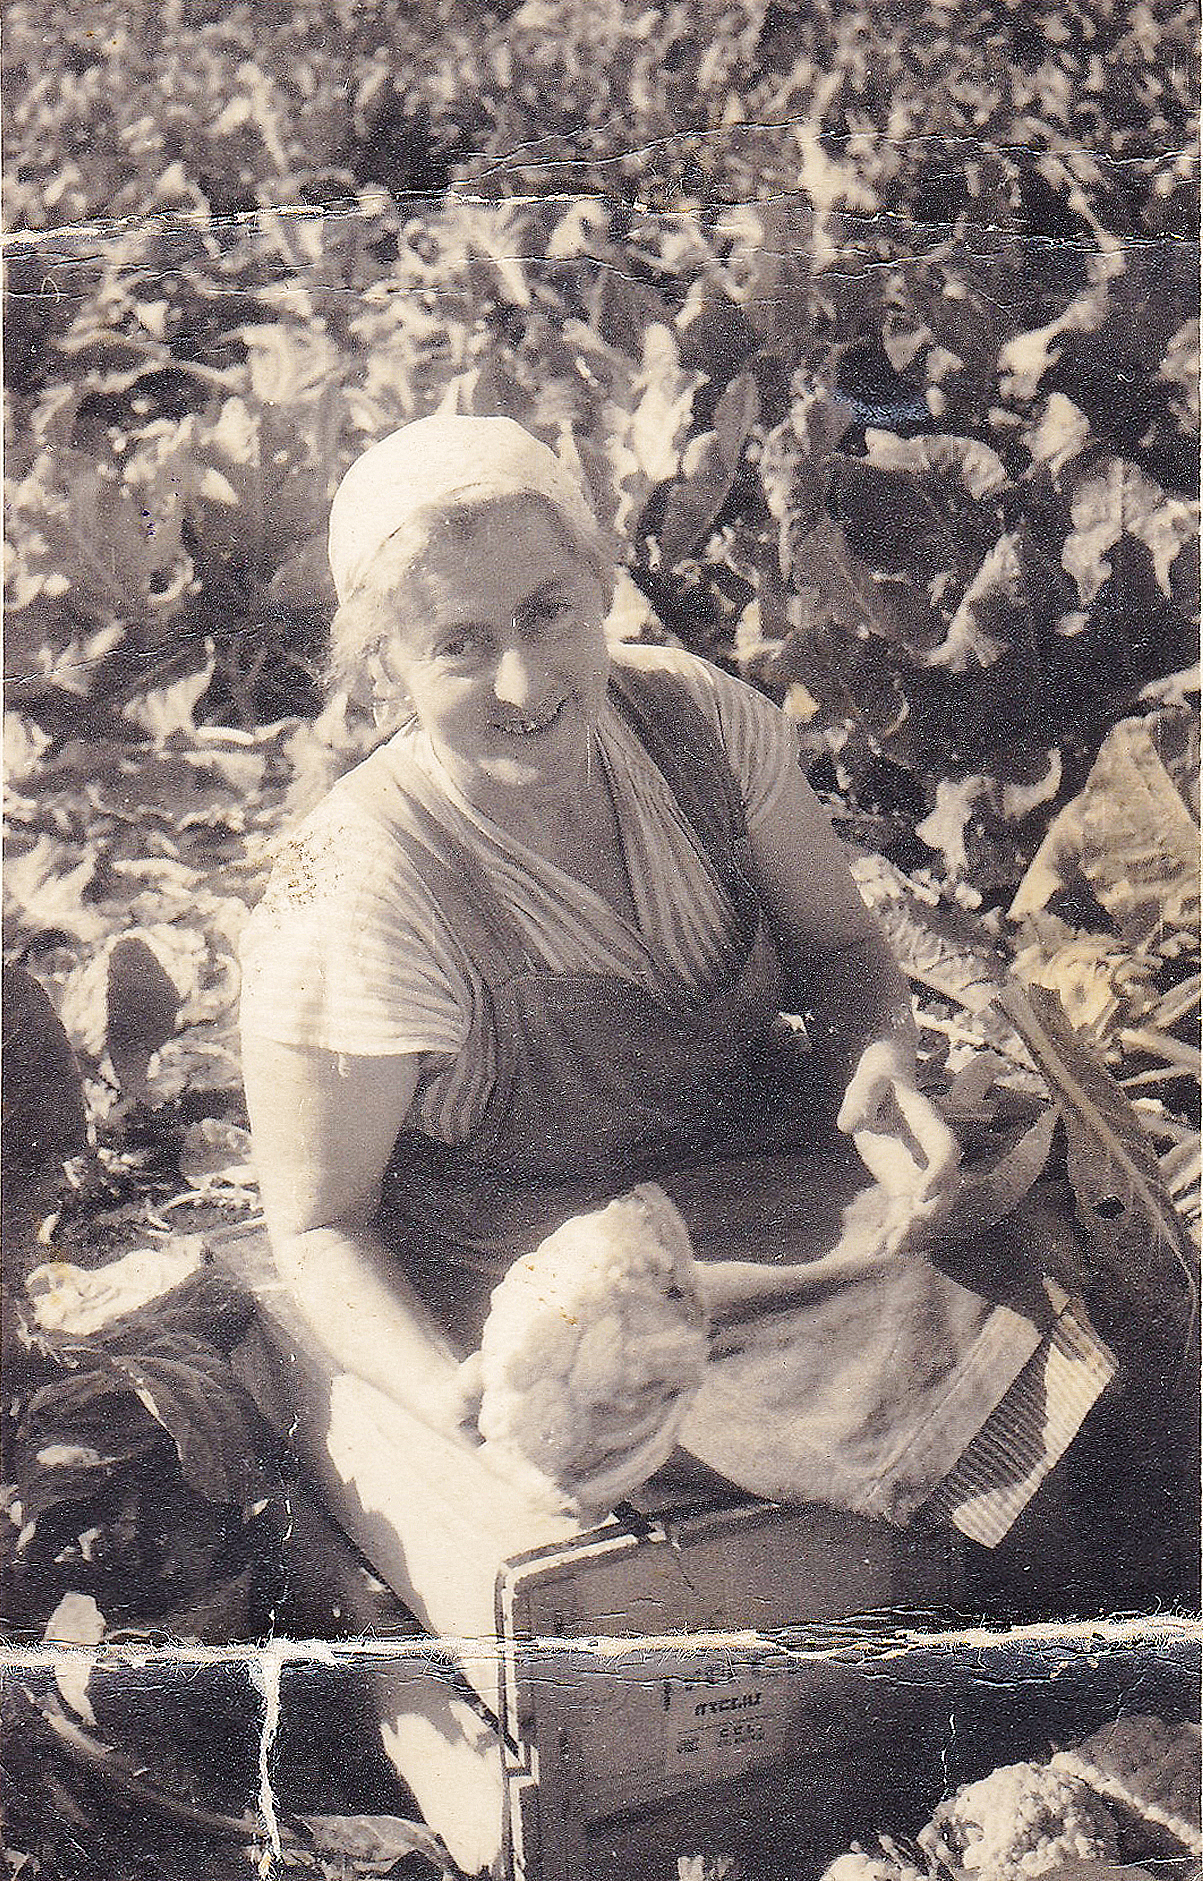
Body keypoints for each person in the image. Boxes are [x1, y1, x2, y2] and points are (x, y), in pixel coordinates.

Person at [238, 413, 1122, 1587]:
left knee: (1045, 1217)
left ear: (601, 587)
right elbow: (318, 1226)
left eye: (548, 611)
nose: (523, 679)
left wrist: (876, 1062)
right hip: (536, 1260)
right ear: (385, 671)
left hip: (746, 1154)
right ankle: (1017, 1655)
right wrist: (458, 1401)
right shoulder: (354, 892)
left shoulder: (699, 725)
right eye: (458, 644)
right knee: (880, 1345)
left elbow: (843, 948)